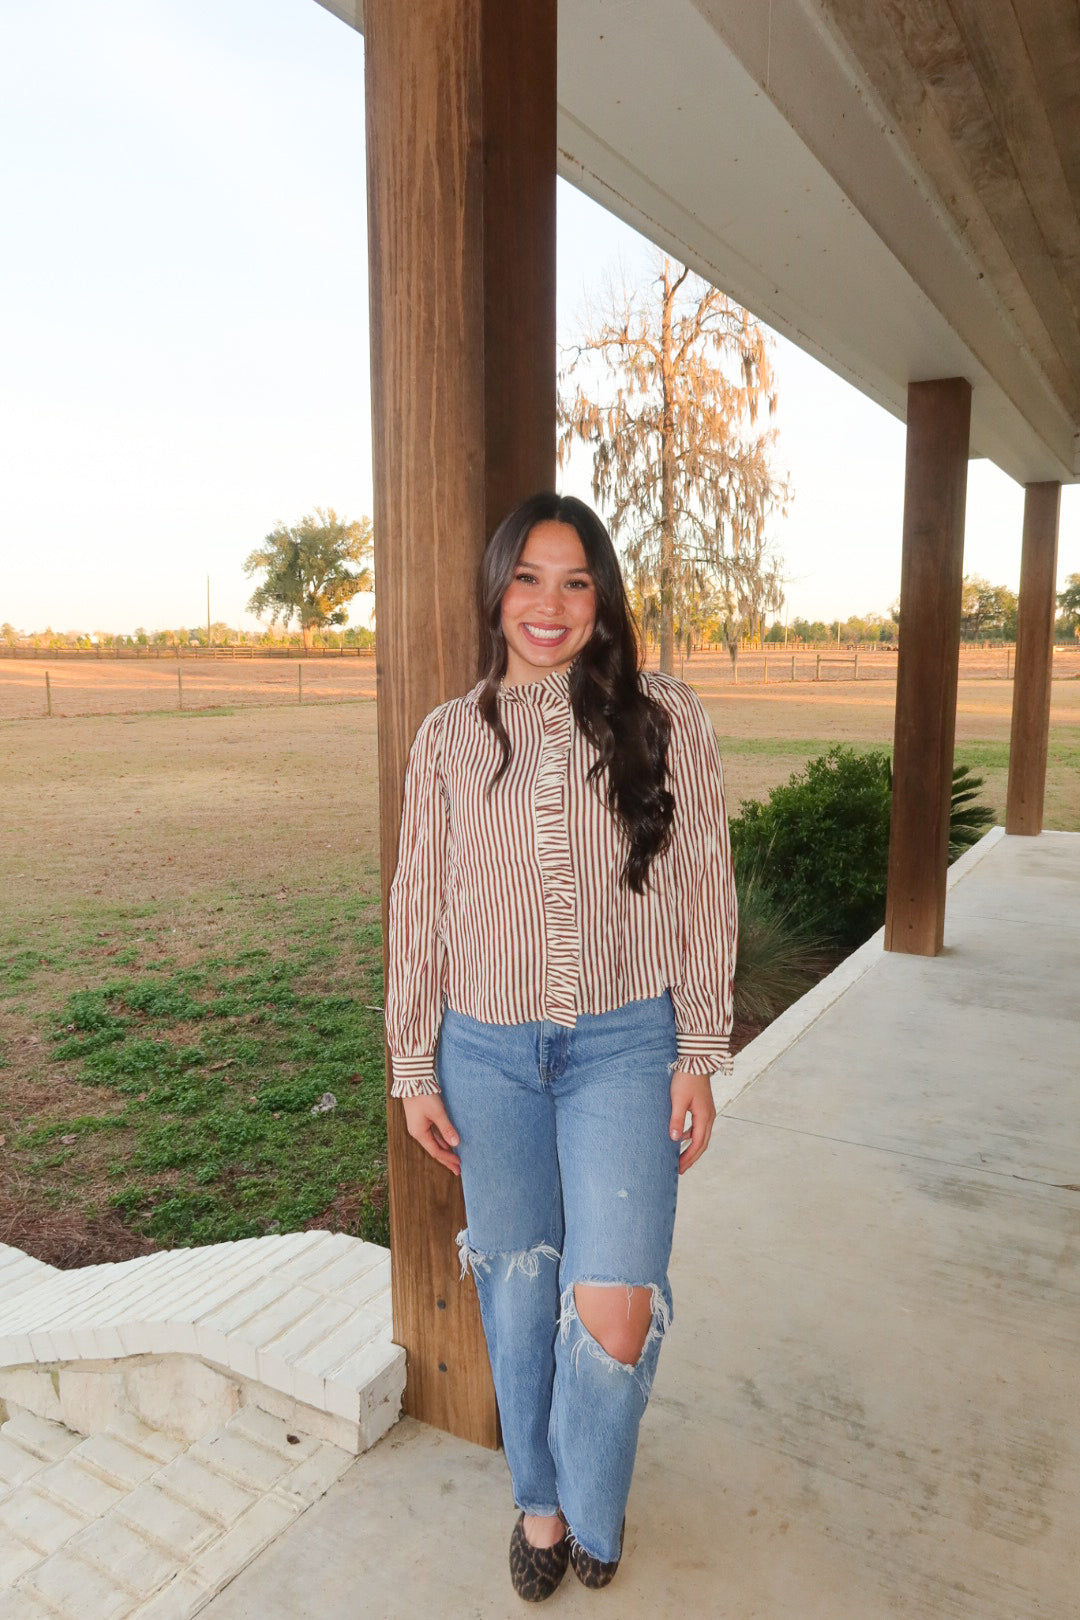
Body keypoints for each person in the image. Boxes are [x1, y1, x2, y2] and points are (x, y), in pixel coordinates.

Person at [386, 491, 737, 1602]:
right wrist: (413, 1064)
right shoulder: (449, 737)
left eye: (575, 580)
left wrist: (698, 1048)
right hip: (485, 1055)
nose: (550, 604)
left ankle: (593, 1495)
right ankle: (540, 1503)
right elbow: (418, 907)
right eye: (528, 578)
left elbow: (702, 887)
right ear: (497, 593)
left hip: (625, 1047)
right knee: (515, 1283)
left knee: (615, 1298)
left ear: (603, 597)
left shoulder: (665, 717)